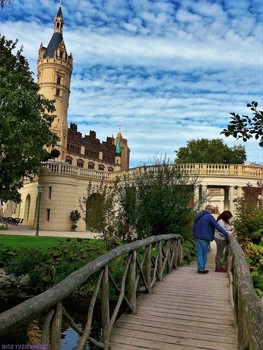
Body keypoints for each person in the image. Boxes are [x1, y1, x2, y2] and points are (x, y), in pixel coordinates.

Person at [193, 204, 233, 274]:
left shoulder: (198, 215)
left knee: (199, 253)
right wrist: (226, 233)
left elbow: (194, 225)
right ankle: (202, 269)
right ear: (209, 210)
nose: (212, 212)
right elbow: (217, 226)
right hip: (204, 238)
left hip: (197, 237)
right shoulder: (209, 217)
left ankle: (199, 268)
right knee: (204, 253)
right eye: (212, 210)